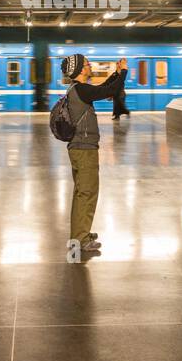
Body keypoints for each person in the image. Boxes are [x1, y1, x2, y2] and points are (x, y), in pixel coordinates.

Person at [61, 53, 127, 259]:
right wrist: (123, 72)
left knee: (83, 192)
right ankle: (80, 240)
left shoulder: (78, 89)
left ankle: (81, 235)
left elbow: (101, 90)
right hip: (84, 149)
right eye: (88, 64)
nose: (90, 66)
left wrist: (114, 74)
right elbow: (110, 91)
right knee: (86, 193)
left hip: (81, 148)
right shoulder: (81, 89)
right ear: (81, 70)